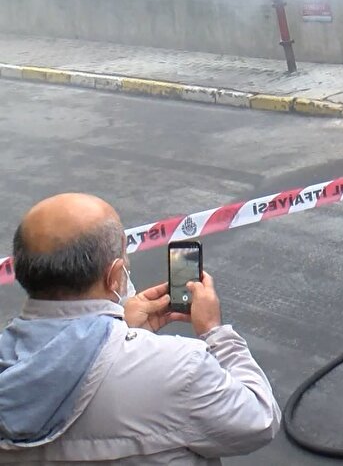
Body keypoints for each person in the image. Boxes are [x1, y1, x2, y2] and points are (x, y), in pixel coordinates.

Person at [0, 193, 281, 464]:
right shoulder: (180, 367)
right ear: (113, 276)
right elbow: (259, 421)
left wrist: (122, 329)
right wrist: (215, 333)